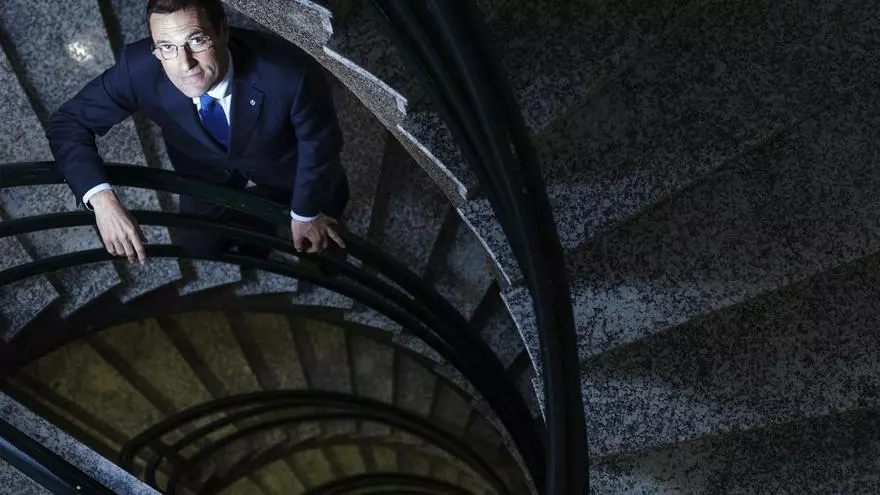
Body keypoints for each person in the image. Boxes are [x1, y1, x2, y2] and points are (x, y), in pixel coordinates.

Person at [47, 0, 348, 264]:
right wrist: (103, 200)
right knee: (200, 247)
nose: (185, 64)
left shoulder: (289, 73)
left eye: (196, 40)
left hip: (288, 171)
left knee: (324, 241)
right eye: (167, 47)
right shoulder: (139, 69)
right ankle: (257, 231)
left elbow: (319, 145)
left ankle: (325, 262)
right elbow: (68, 122)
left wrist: (306, 213)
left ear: (223, 32)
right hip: (205, 172)